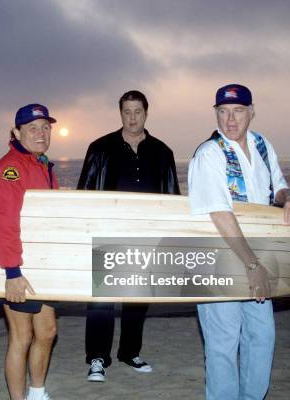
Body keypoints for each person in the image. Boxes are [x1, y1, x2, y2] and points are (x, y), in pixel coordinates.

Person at [188, 83, 290, 399]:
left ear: (251, 112)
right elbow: (219, 213)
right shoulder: (209, 153)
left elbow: (276, 187)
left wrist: (289, 197)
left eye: (238, 111)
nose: (230, 119)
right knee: (224, 343)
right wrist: (251, 265)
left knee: (261, 336)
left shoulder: (263, 145)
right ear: (216, 114)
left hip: (258, 253)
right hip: (220, 258)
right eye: (223, 112)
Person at [78, 90, 180, 382]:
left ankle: (129, 353)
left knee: (138, 299)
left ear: (146, 113)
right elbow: (84, 194)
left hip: (147, 238)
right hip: (106, 235)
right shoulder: (99, 148)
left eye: (138, 111)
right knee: (101, 301)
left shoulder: (163, 152)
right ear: (120, 113)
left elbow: (173, 199)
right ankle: (98, 358)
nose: (132, 117)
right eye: (127, 112)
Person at [0, 104, 59, 400]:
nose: (41, 133)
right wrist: (12, 272)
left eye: (45, 127)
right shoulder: (11, 168)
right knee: (22, 336)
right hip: (17, 267)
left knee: (48, 331)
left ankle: (37, 393)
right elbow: (2, 220)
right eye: (33, 128)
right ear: (16, 133)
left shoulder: (42, 165)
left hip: (41, 265)